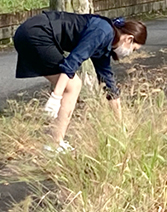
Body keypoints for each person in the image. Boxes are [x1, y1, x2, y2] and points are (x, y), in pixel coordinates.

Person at [13, 11, 147, 150]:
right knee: (73, 85)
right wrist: (55, 97)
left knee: (72, 84)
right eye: (134, 49)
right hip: (36, 33)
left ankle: (55, 141)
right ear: (129, 39)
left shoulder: (106, 43)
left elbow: (108, 83)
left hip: (30, 32)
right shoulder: (102, 31)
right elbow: (73, 62)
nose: (131, 53)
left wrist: (120, 126)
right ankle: (54, 144)